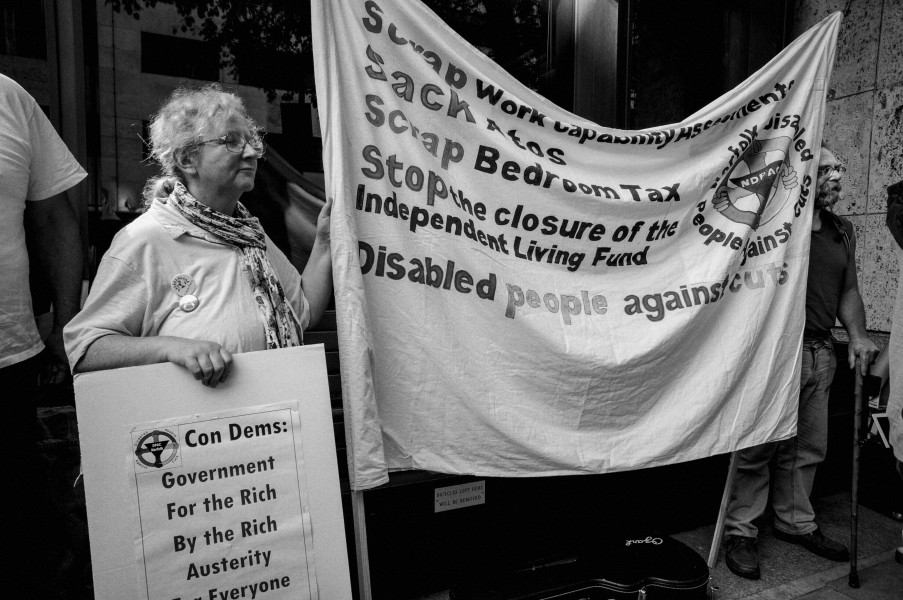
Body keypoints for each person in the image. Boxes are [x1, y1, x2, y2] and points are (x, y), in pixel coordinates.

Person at [64, 84, 332, 385]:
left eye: (251, 140)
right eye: (232, 141)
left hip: (271, 421)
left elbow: (303, 308)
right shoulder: (146, 239)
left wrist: (325, 241)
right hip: (200, 429)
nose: (252, 151)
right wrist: (171, 349)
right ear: (187, 159)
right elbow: (85, 348)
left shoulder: (249, 235)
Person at [722, 145, 879, 580]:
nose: (837, 176)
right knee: (757, 445)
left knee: (809, 446)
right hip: (775, 351)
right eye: (827, 168)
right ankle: (741, 530)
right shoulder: (774, 225)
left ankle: (795, 521)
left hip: (820, 350)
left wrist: (860, 335)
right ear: (803, 174)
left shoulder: (842, 230)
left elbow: (848, 289)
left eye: (839, 168)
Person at [0, 73, 86, 598]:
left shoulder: (10, 97)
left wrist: (65, 322)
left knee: (17, 532)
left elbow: (55, 216)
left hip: (8, 357)